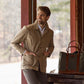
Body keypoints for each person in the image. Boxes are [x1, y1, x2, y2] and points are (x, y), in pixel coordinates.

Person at [11, 6, 54, 84]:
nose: (39, 17)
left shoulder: (50, 32)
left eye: (42, 15)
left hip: (42, 65)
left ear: (47, 17)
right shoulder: (28, 29)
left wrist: (48, 52)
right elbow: (14, 42)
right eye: (38, 15)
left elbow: (51, 46)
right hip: (29, 64)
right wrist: (25, 52)